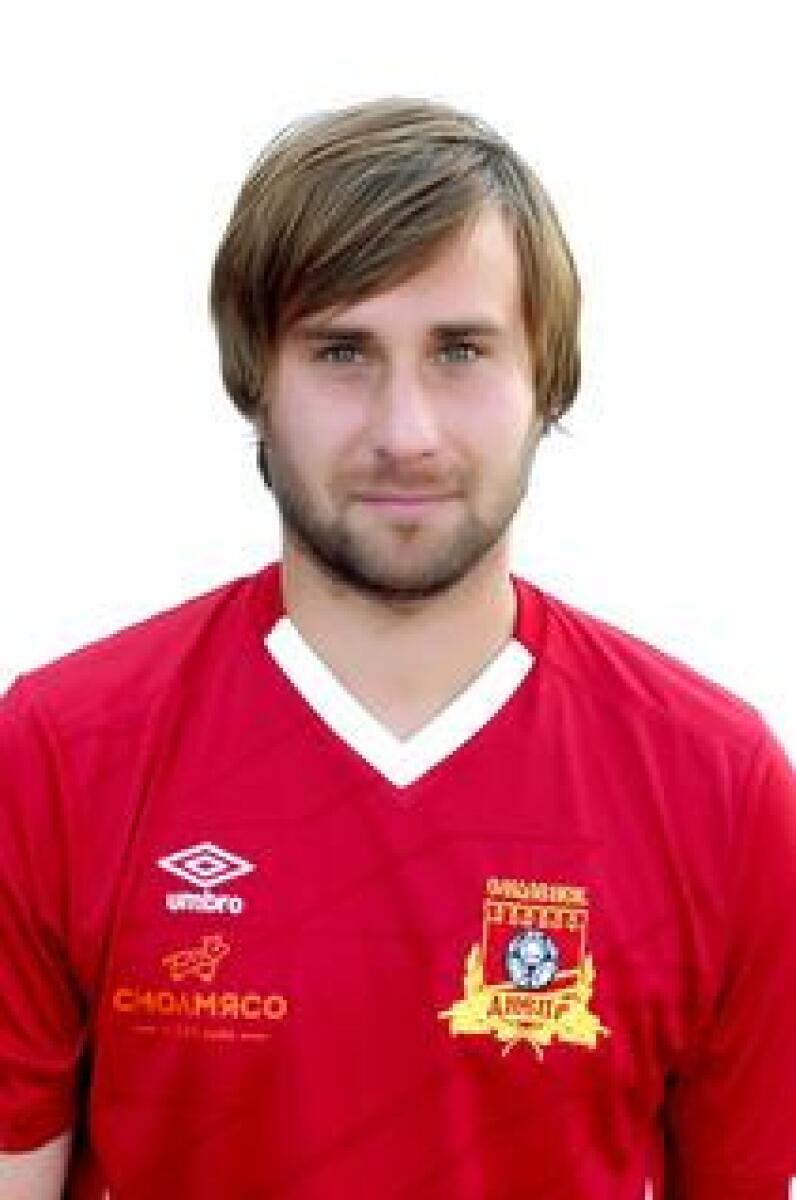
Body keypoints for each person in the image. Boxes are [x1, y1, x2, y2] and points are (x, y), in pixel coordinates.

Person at [1, 95, 794, 1200]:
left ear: (546, 380)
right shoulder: (58, 754)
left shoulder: (718, 784)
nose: (404, 432)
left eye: (461, 350)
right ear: (256, 382)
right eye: (342, 351)